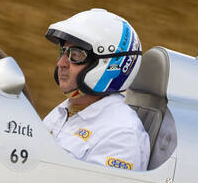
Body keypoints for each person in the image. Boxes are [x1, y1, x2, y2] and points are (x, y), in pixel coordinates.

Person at [41, 9, 149, 171]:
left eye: (75, 55)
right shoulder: (63, 111)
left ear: (108, 63)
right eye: (63, 52)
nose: (61, 63)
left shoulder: (122, 134)